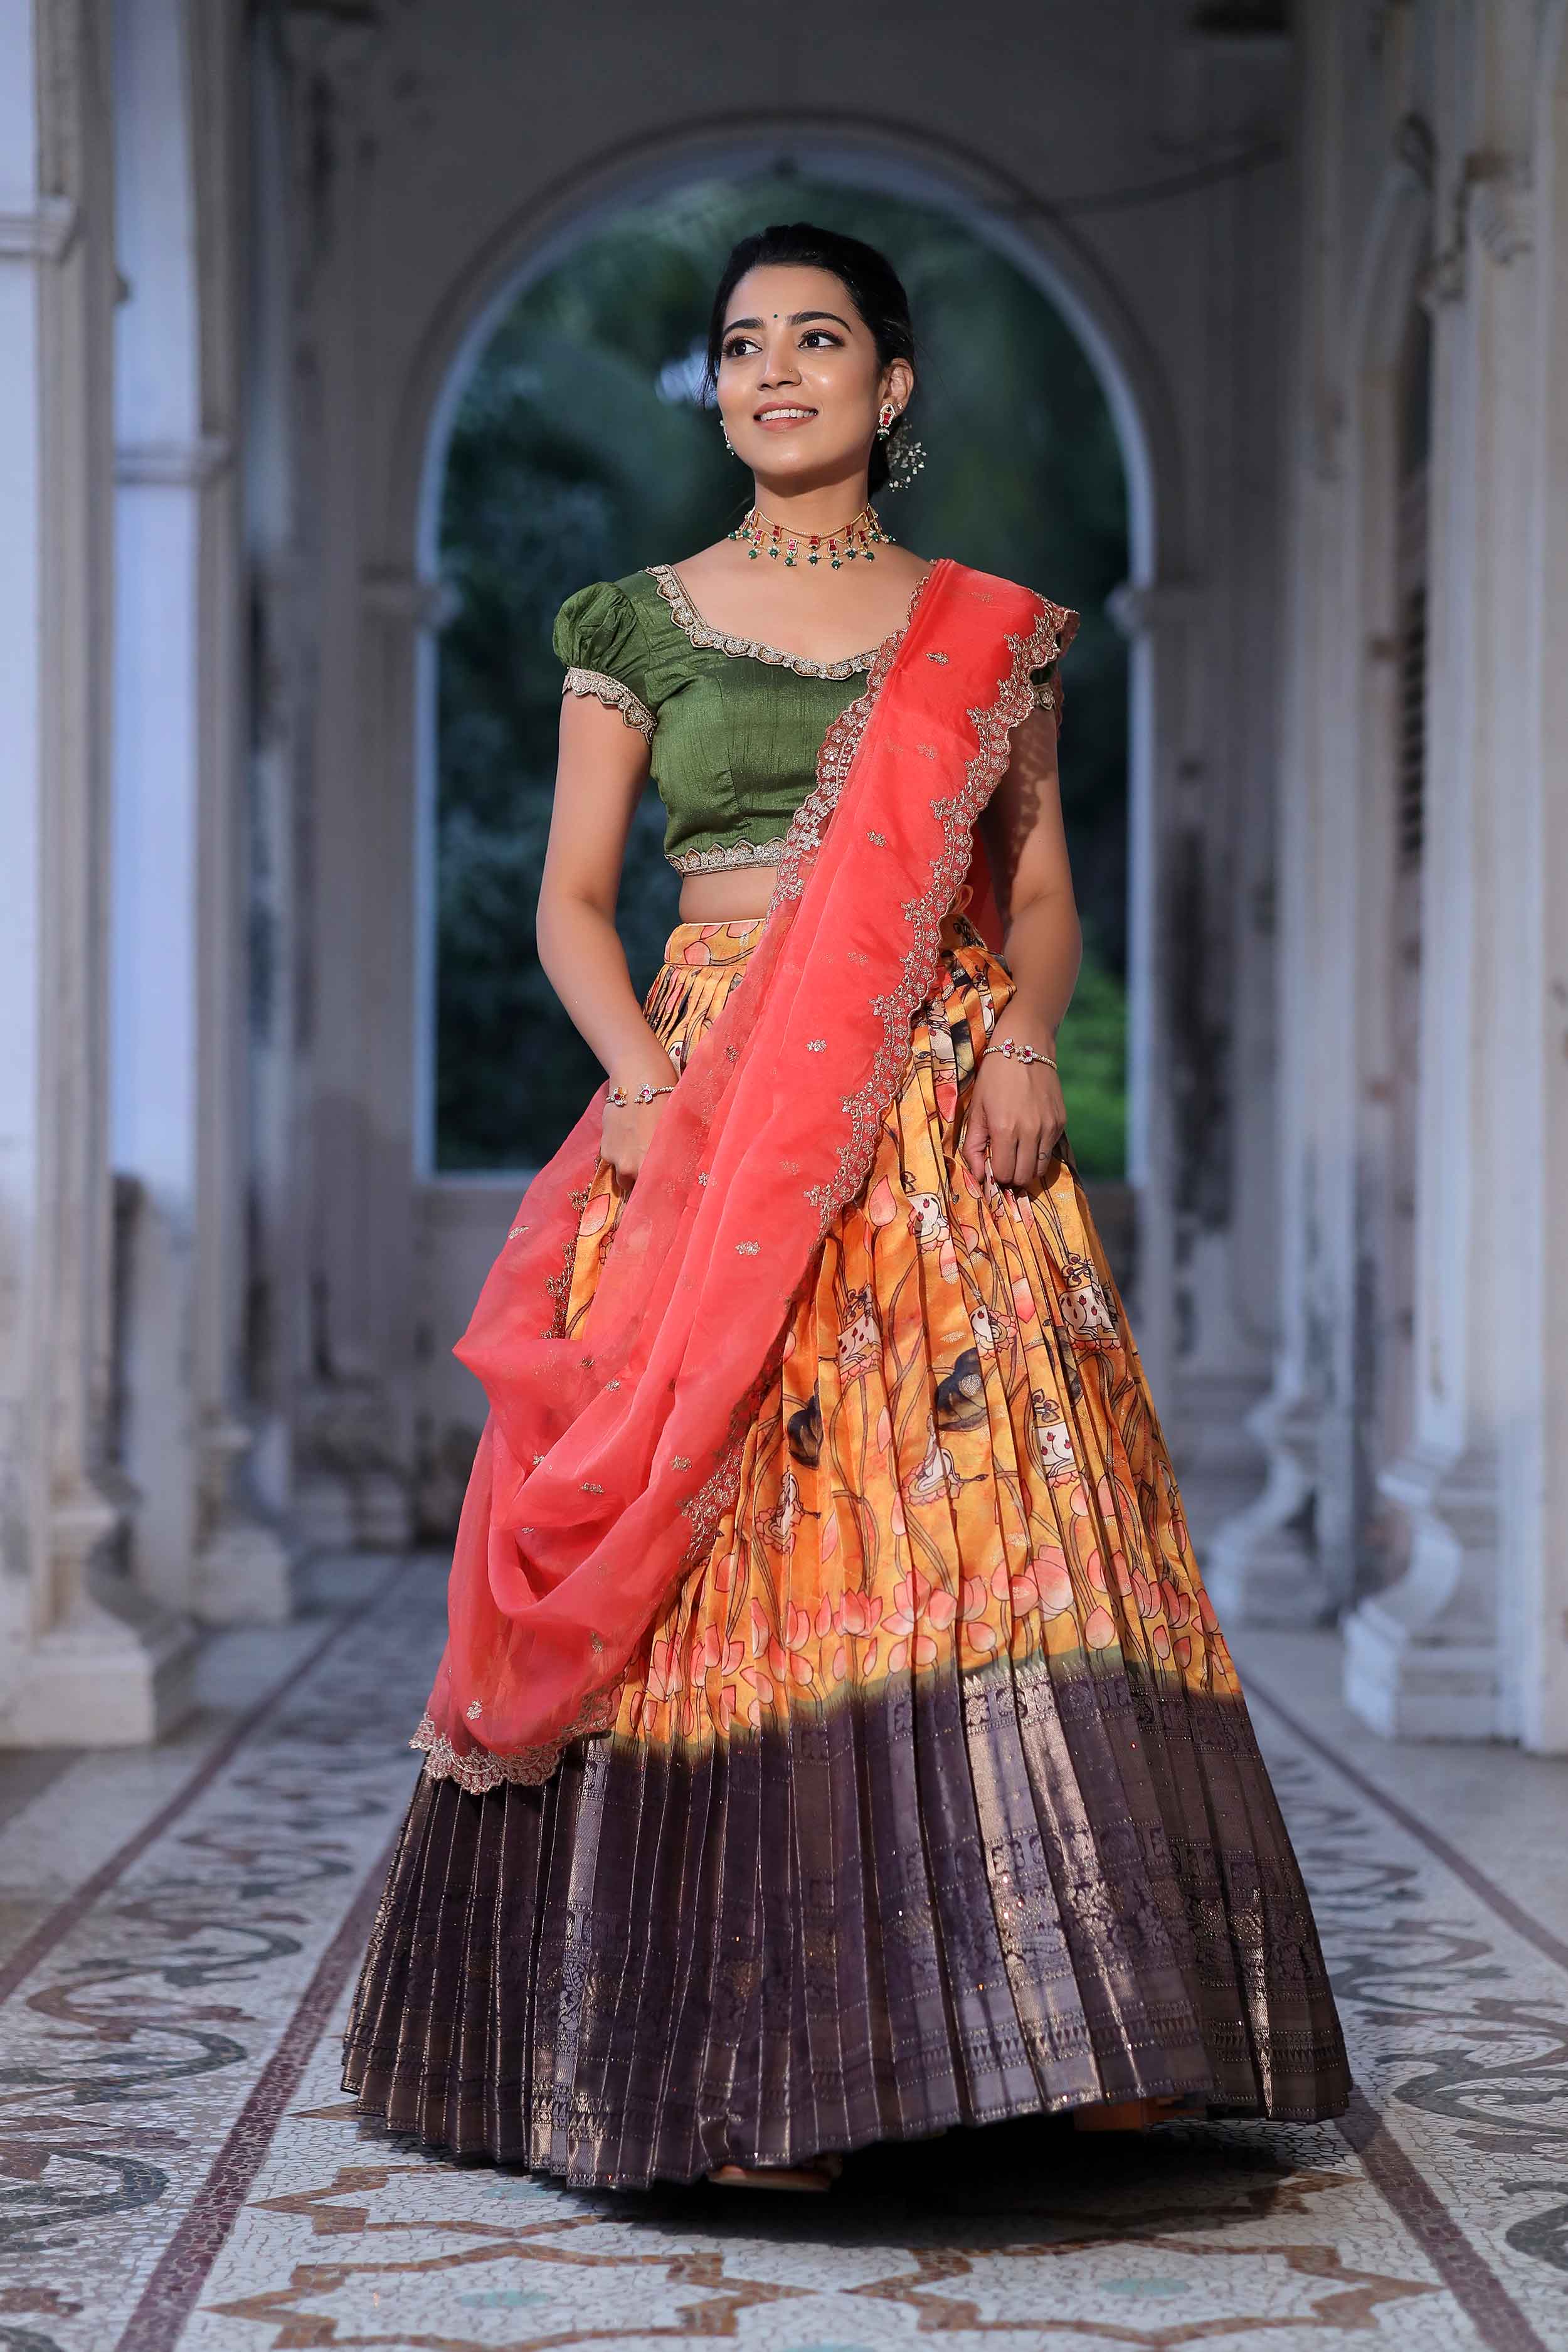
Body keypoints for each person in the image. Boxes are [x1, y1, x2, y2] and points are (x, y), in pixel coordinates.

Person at [342, 222, 1350, 2193]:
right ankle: (740, 2063)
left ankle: (1070, 2023)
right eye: (738, 345)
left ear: (890, 389)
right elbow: (570, 899)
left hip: (939, 1101)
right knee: (732, 1534)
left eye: (817, 341)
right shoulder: (632, 620)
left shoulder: (989, 627)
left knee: (1007, 1518)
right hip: (712, 1106)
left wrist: (1029, 1044)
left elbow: (1035, 891)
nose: (772, 372)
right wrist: (640, 1085)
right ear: (713, 389)